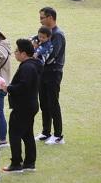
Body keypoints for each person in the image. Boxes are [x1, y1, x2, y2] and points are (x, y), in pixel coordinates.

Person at [1, 38, 43, 173]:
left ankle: (16, 163)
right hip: (30, 105)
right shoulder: (33, 65)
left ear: (24, 53)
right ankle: (29, 163)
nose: (15, 53)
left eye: (17, 51)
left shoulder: (28, 67)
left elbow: (23, 86)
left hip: (23, 106)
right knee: (27, 134)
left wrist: (8, 88)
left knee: (14, 133)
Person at [37, 7, 66, 145]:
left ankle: (58, 135)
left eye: (42, 17)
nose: (40, 20)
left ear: (50, 18)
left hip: (53, 73)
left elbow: (53, 55)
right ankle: (46, 132)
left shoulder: (58, 35)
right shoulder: (45, 33)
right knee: (43, 102)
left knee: (53, 103)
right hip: (43, 73)